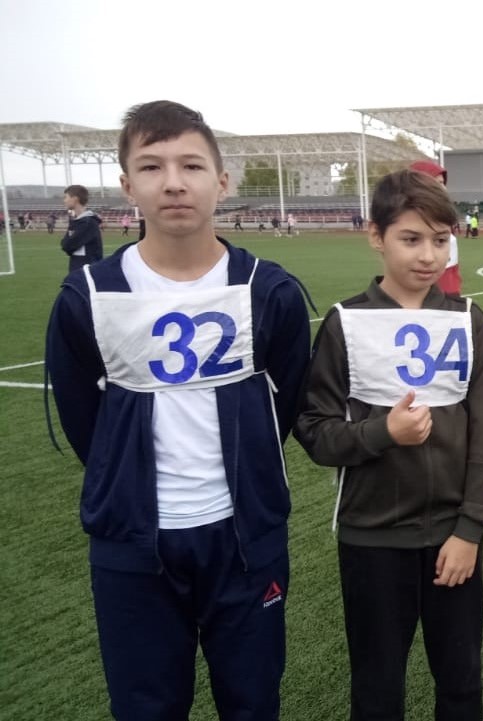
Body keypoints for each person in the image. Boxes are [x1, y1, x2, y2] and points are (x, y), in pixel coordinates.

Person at [44, 99, 311, 720]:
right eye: (151, 166)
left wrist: (250, 472)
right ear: (127, 185)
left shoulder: (267, 290)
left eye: (191, 165)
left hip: (244, 538)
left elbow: (288, 399)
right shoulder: (89, 295)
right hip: (133, 545)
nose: (173, 182)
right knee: (146, 708)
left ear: (222, 181)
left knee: (253, 703)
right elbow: (84, 419)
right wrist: (124, 478)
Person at [295, 169, 483, 721]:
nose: (428, 255)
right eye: (411, 239)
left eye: (440, 239)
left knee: (461, 681)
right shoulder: (345, 323)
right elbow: (314, 430)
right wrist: (382, 432)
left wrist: (470, 528)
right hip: (372, 540)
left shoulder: (468, 320)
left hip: (453, 539)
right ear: (376, 236)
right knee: (378, 686)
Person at [409, 160, 462, 295]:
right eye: (438, 183)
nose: (444, 189)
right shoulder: (410, 221)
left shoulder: (443, 217)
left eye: (443, 183)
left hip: (450, 294)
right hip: (430, 296)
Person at [59, 184, 103, 274]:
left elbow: (67, 245)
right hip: (77, 270)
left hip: (88, 272)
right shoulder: (76, 221)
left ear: (75, 199)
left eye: (66, 197)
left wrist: (68, 245)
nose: (64, 200)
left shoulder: (88, 222)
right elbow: (66, 245)